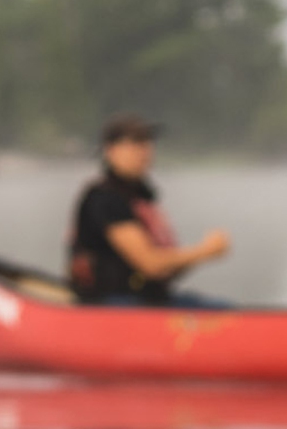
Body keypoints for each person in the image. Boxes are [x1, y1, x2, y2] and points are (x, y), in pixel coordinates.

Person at [68, 113, 231, 306]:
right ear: (111, 151)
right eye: (135, 142)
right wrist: (205, 251)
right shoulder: (104, 198)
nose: (144, 150)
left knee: (224, 309)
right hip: (112, 305)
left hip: (151, 299)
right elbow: (150, 264)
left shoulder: (141, 197)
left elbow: (165, 268)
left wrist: (197, 256)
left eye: (147, 141)